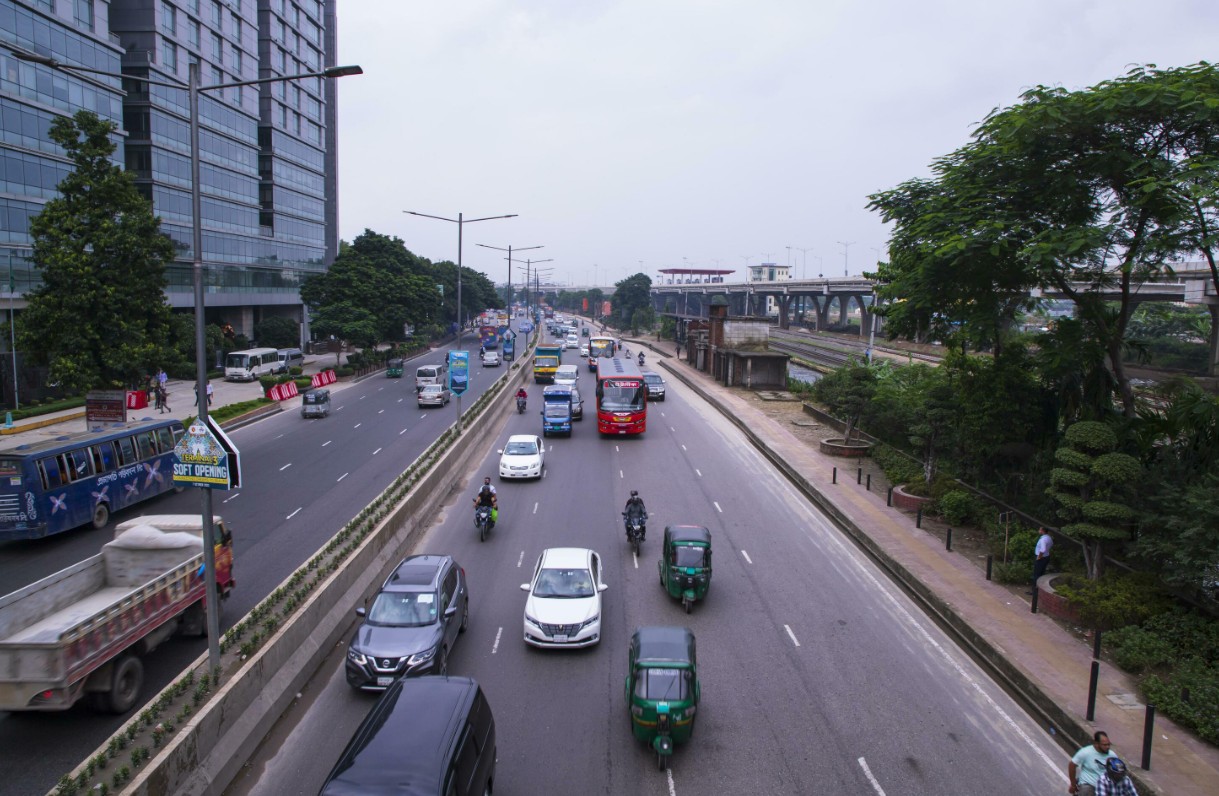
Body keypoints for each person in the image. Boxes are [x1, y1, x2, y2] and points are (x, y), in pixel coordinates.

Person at [1069, 731, 1117, 796]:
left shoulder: (1112, 755)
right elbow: (1072, 765)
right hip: (1089, 785)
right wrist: (1073, 784)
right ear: (1096, 743)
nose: (1107, 747)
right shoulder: (1085, 752)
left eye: (1108, 744)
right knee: (1086, 791)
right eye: (1104, 745)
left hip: (1105, 786)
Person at [1031, 526, 1053, 594]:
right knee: (1042, 574)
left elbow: (1042, 549)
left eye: (1039, 529)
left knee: (1036, 575)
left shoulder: (1043, 539)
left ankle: (1035, 592)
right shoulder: (1049, 538)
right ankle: (1039, 591)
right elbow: (1051, 545)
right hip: (1046, 557)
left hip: (1041, 558)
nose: (1038, 530)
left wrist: (1039, 557)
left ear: (1042, 530)